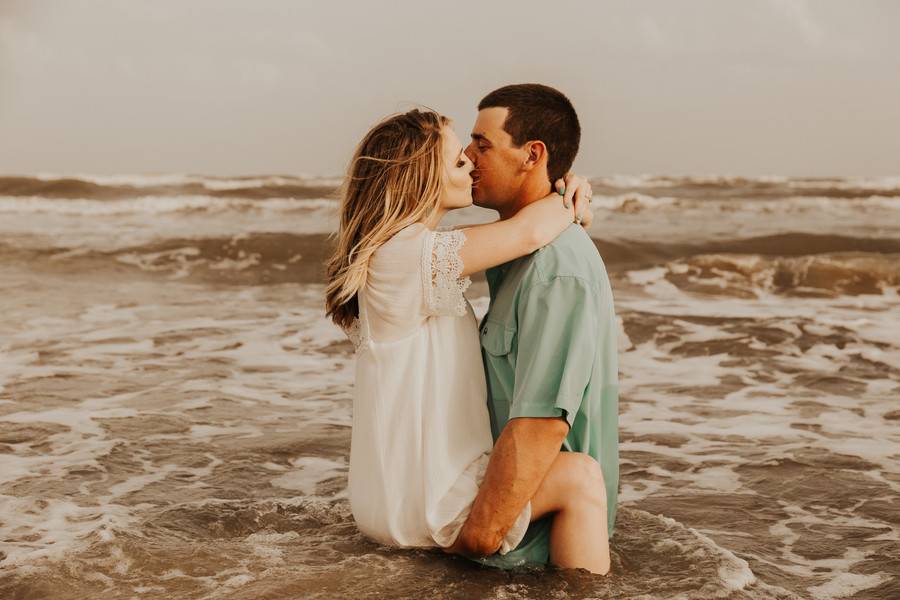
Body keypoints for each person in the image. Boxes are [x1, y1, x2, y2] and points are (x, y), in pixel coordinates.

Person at [325, 106, 611, 574]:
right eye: (460, 161)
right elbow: (527, 232)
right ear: (421, 178)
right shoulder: (405, 255)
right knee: (580, 477)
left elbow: (522, 232)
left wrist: (567, 183)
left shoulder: (406, 252)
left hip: (399, 499)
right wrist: (569, 190)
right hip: (426, 503)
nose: (473, 164)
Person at [445, 84, 619, 575]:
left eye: (483, 144)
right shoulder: (516, 253)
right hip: (512, 541)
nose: (468, 156)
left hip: (535, 555)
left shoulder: (554, 271)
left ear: (532, 155)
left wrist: (473, 540)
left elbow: (541, 422)